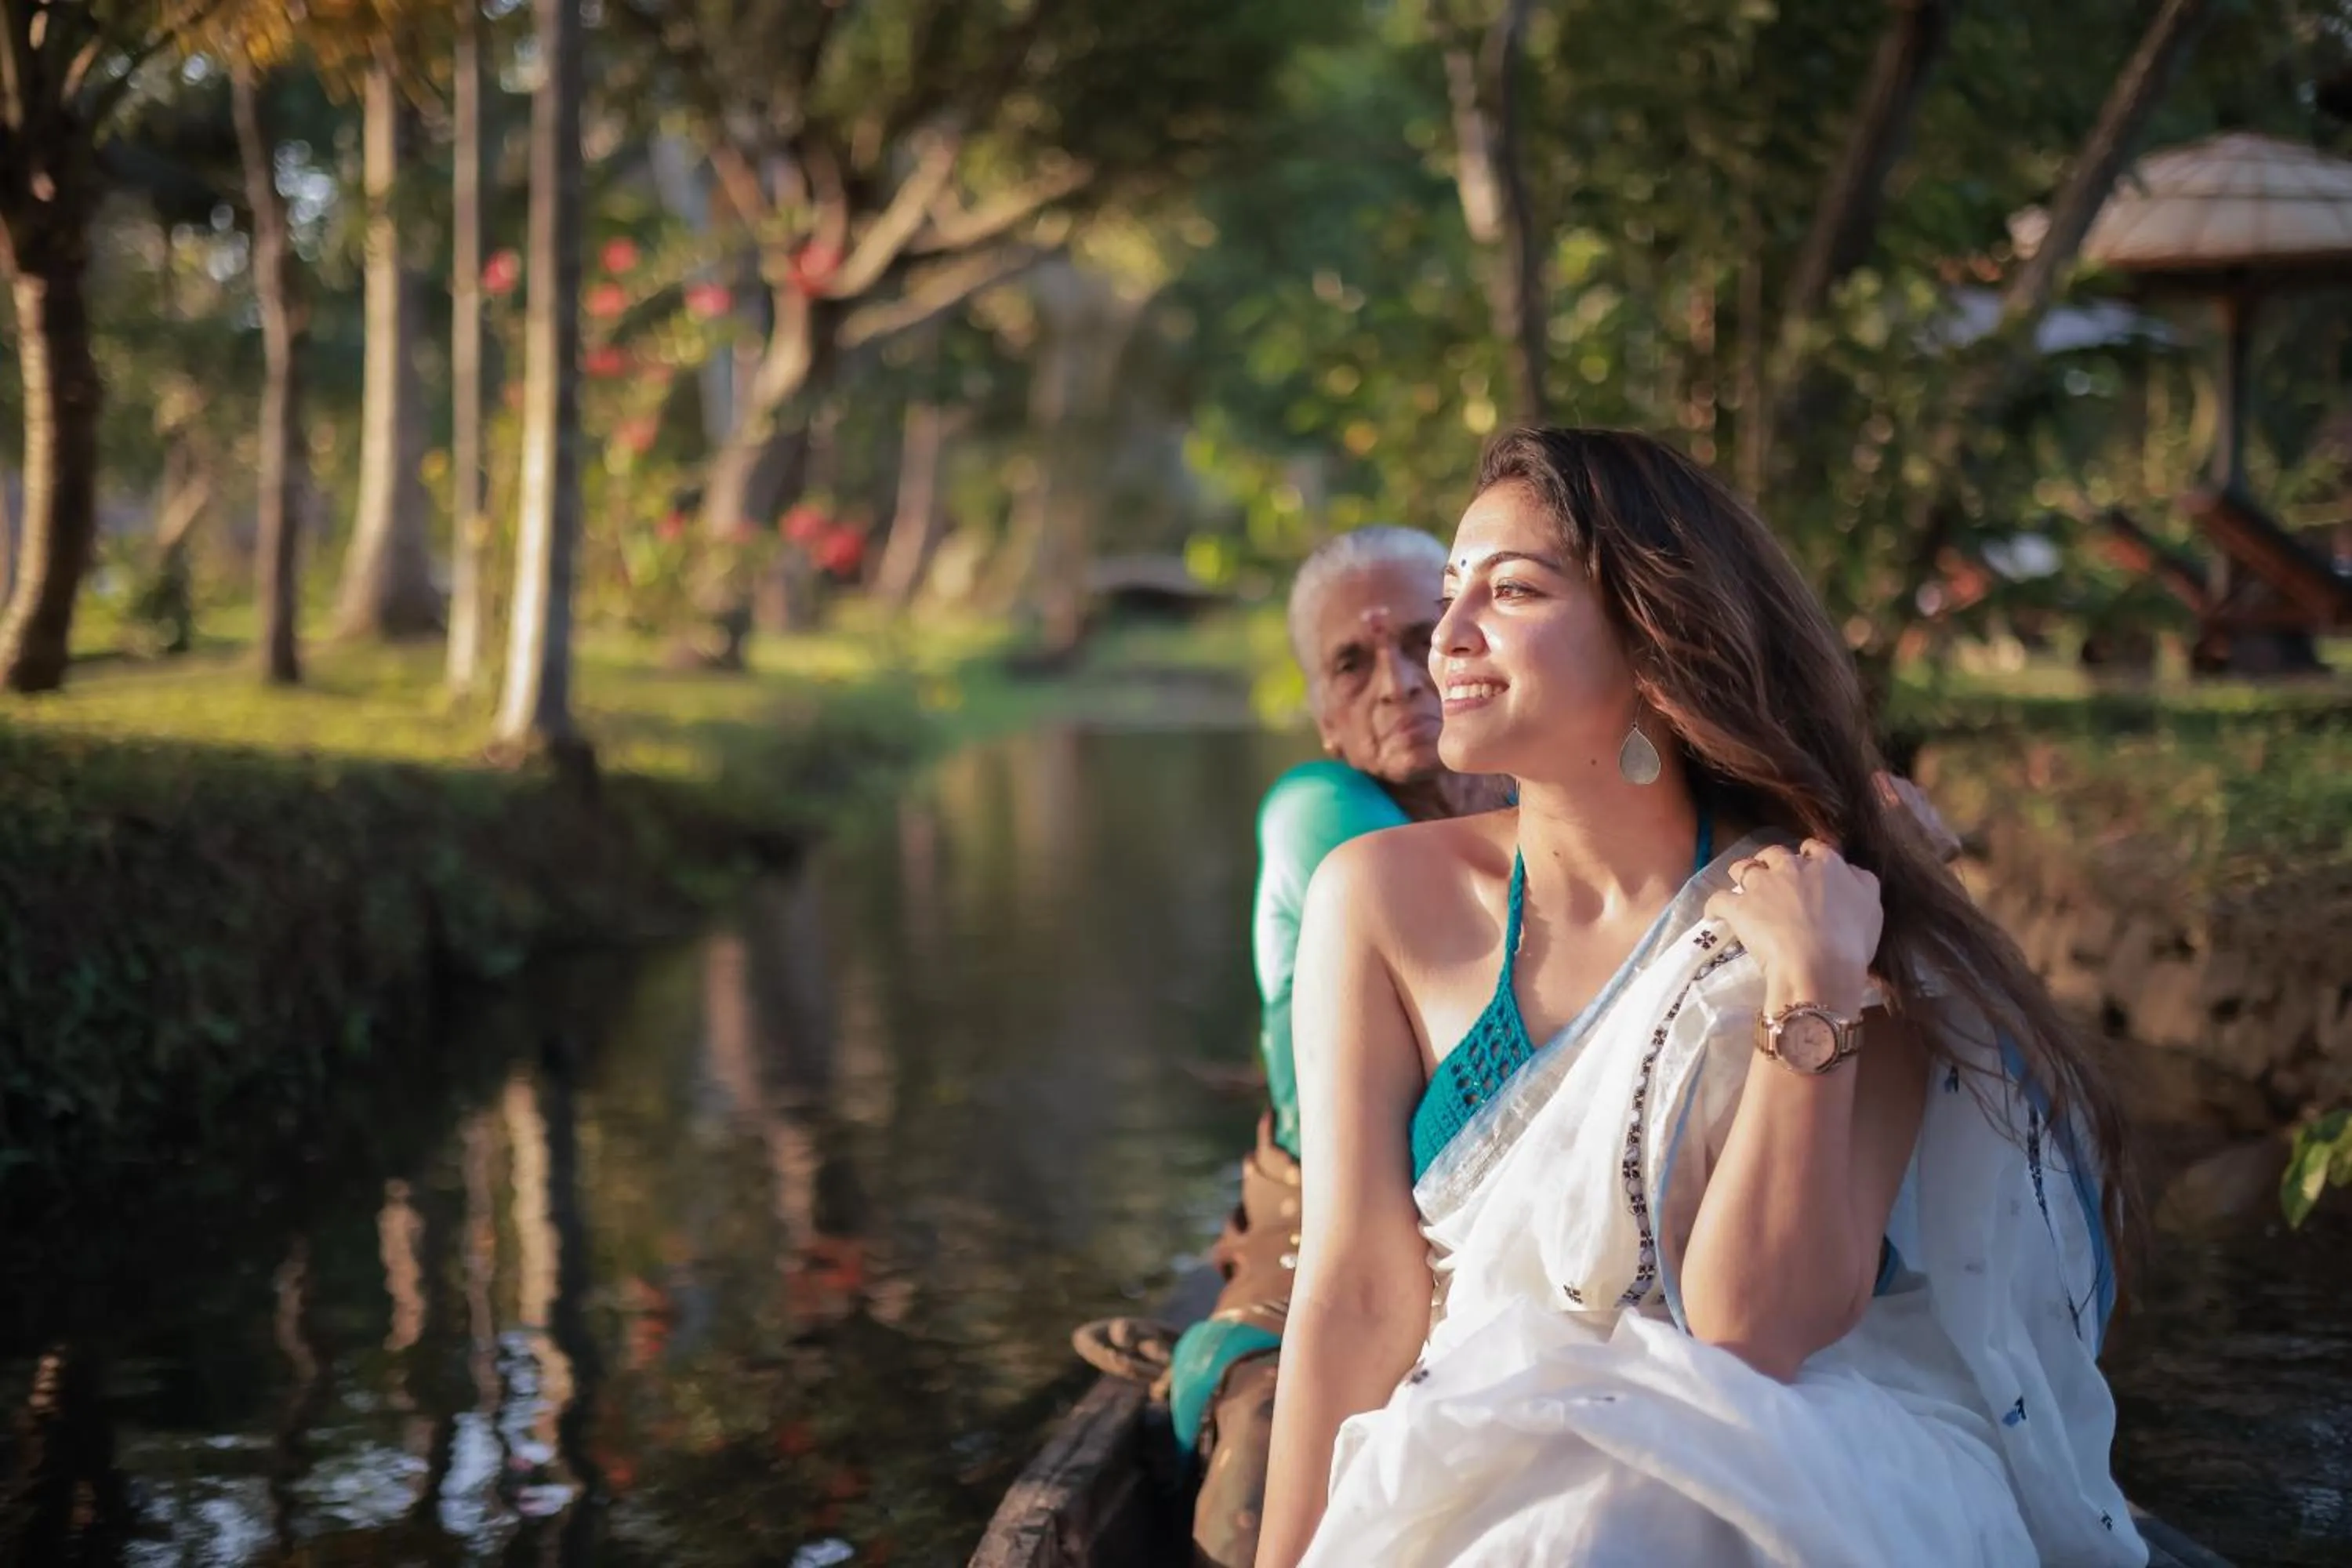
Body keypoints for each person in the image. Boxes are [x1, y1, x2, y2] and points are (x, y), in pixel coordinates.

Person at [1257, 428, 2136, 1567]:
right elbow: (1358, 1292)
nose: (1449, 637)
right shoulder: (1376, 896)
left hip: (1780, 1443)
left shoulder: (1839, 907)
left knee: (1609, 1531)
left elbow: (1751, 1329)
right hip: (1469, 1430)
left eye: (1510, 589)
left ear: (1654, 636)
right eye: (1449, 591)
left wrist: (1814, 987)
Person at [1076, 525, 1503, 1568]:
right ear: (1322, 712)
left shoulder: (1541, 795)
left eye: (1420, 640)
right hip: (1326, 1212)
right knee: (1267, 1464)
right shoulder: (1321, 812)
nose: (1397, 683)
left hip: (1503, 1211)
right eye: (1352, 664)